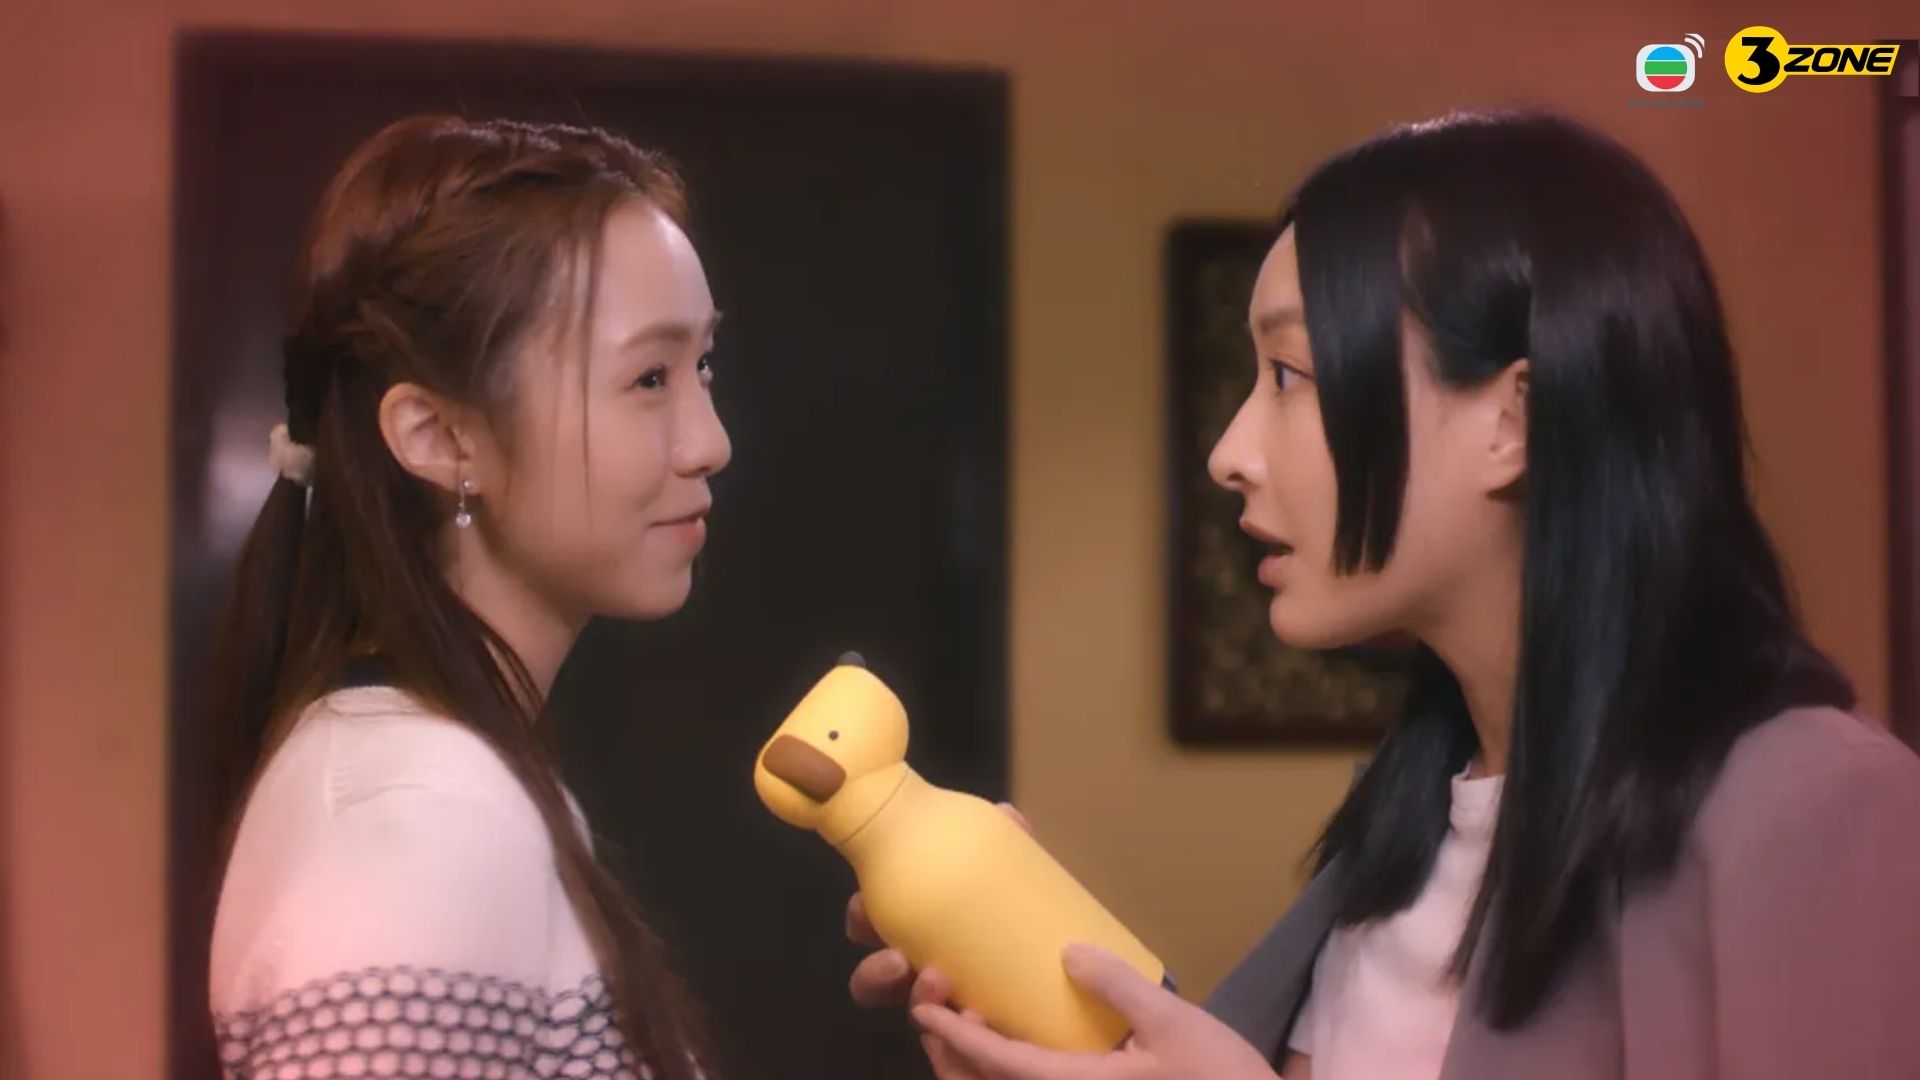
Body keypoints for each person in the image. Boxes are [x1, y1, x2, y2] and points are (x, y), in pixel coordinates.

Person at [848, 109, 1920, 1079]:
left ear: (1513, 422)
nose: (1229, 454)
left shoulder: (1817, 809)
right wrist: (1060, 1014)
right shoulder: (1408, 827)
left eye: (1290, 377)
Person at [206, 115, 729, 1080]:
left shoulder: (450, 783)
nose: (710, 441)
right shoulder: (420, 815)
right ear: (440, 437)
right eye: (649, 378)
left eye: (702, 365)